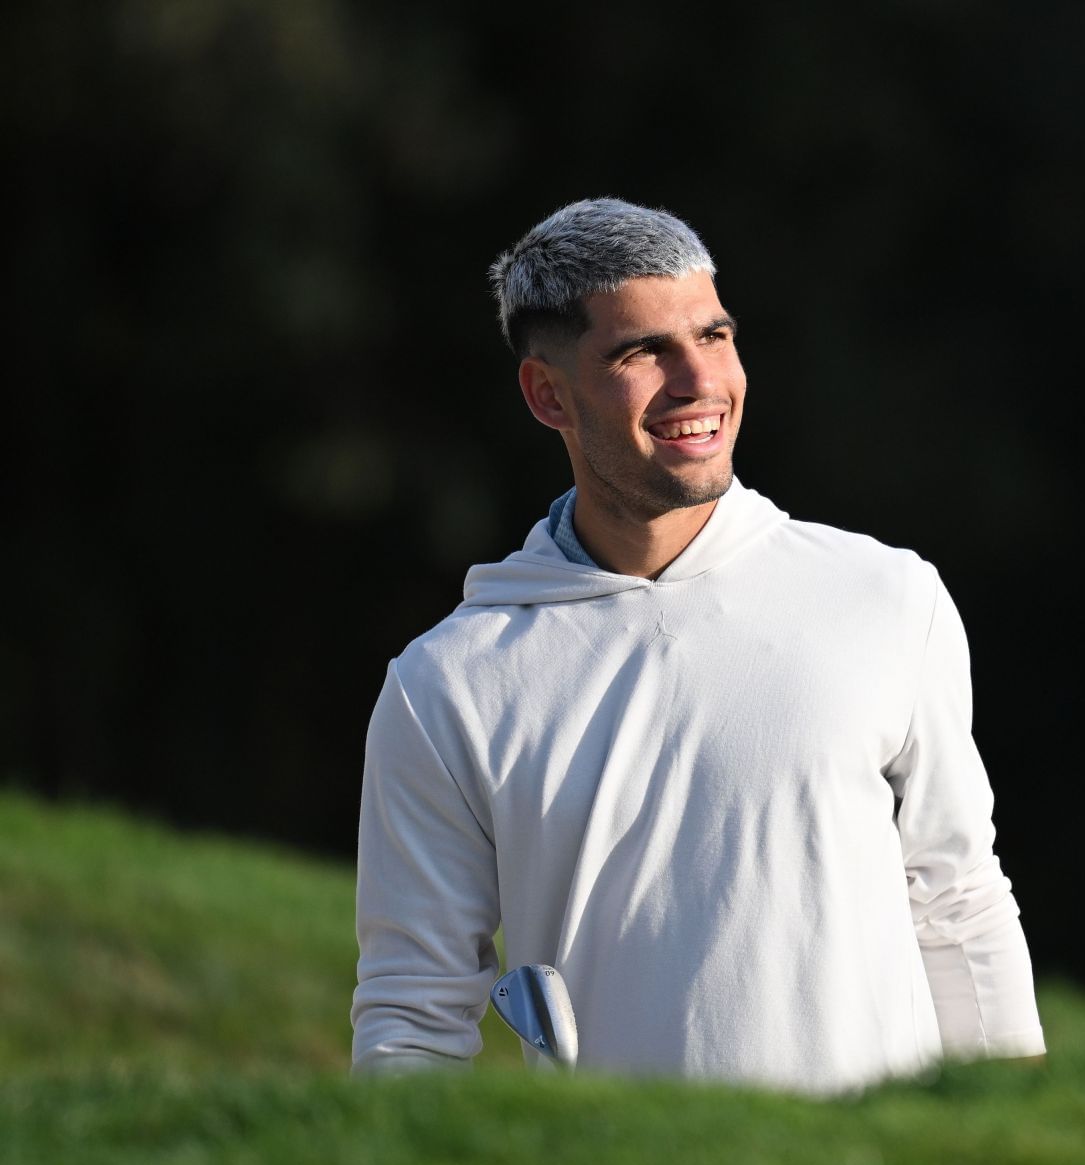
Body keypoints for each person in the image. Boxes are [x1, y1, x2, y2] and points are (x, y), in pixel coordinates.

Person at [349, 198, 1046, 1092]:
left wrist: (1017, 1144)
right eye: (641, 352)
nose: (699, 382)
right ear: (547, 394)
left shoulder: (886, 597)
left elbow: (956, 902)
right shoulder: (448, 686)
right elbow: (414, 1011)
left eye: (714, 337)